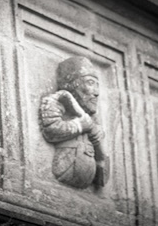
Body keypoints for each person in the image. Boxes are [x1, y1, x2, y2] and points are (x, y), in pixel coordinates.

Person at [39, 56, 109, 188]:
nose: (97, 92)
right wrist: (79, 125)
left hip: (87, 175)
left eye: (97, 85)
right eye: (90, 83)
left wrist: (98, 136)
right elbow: (50, 129)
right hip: (66, 169)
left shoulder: (92, 116)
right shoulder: (56, 101)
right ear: (72, 85)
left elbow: (100, 151)